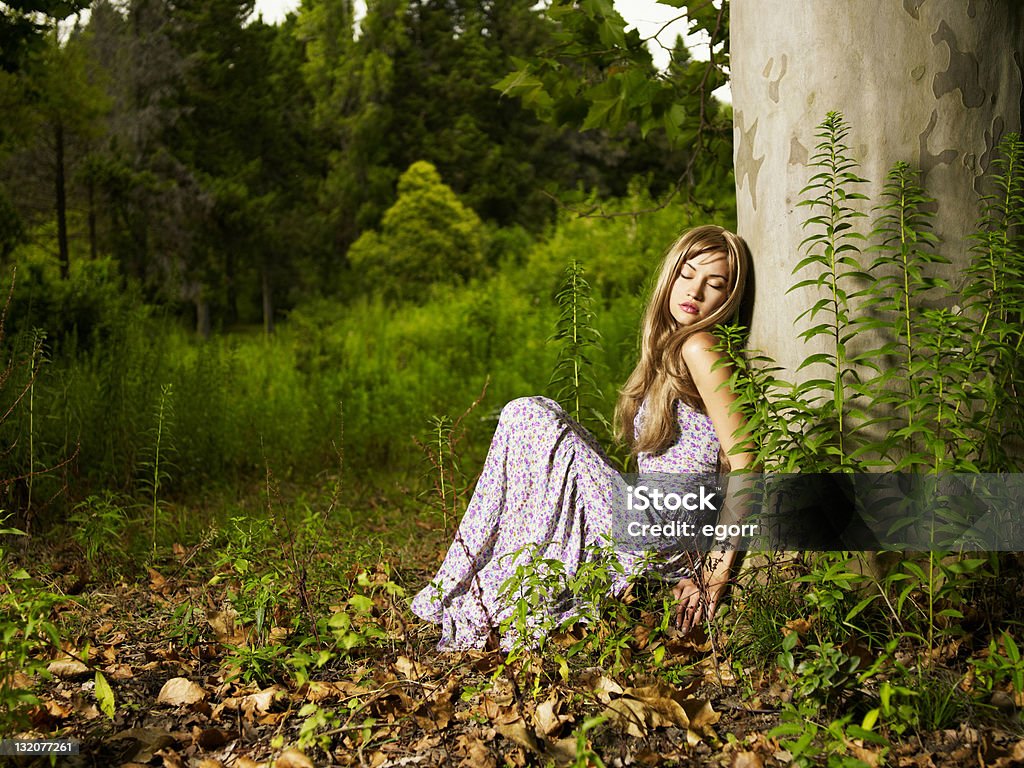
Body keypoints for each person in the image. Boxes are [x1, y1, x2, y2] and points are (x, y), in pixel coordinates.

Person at [410, 224, 755, 651]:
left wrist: (714, 574)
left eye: (714, 283)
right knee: (540, 418)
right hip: (661, 524)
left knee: (530, 415)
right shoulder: (668, 351)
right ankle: (508, 592)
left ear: (729, 298)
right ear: (670, 275)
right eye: (687, 273)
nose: (695, 291)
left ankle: (488, 594)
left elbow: (746, 462)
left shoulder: (701, 347)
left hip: (669, 526)